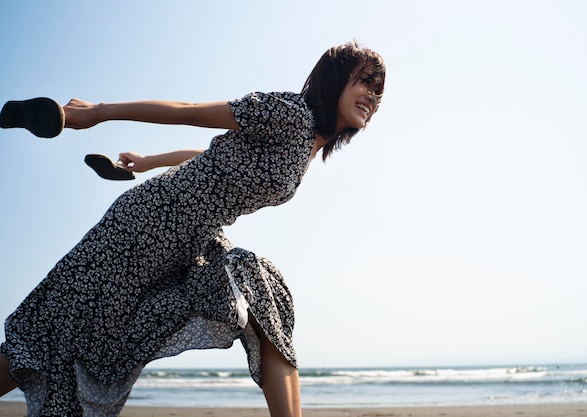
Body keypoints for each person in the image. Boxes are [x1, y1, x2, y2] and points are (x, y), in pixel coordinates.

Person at [0, 40, 385, 417]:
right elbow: (193, 111)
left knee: (265, 299)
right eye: (365, 81)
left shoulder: (307, 147)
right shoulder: (290, 114)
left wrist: (150, 160)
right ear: (335, 80)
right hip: (145, 227)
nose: (373, 95)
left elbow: (214, 157)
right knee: (56, 332)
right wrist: (97, 113)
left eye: (378, 90)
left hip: (193, 240)